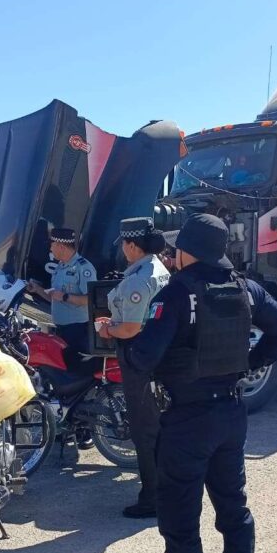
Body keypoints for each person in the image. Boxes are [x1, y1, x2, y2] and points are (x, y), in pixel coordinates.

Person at [123, 214, 277, 553]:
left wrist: (120, 338)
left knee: (181, 521)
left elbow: (143, 357)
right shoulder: (246, 288)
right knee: (234, 512)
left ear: (186, 250)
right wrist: (249, 364)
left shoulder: (177, 292)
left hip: (186, 420)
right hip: (230, 415)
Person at [95, 217, 171, 519]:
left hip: (138, 358)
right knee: (160, 426)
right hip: (158, 356)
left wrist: (107, 329)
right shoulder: (160, 269)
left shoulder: (139, 280)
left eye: (124, 244)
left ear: (132, 245)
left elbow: (130, 328)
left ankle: (152, 498)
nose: (123, 250)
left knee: (144, 430)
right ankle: (165, 488)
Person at [27, 227, 98, 370]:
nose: (50, 249)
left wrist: (65, 296)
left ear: (61, 246)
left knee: (75, 370)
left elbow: (91, 300)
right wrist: (37, 289)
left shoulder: (83, 268)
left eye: (52, 245)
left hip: (77, 331)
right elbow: (55, 298)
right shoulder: (60, 266)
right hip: (61, 329)